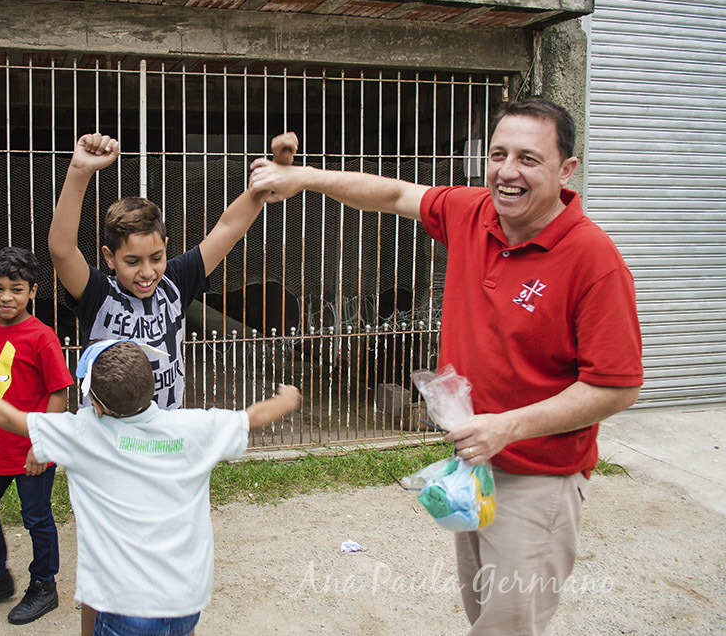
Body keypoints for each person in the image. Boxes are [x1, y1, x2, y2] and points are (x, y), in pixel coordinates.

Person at [249, 98, 643, 635]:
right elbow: (391, 194)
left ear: (566, 169)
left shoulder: (594, 261)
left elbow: (615, 387)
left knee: (508, 625)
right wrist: (306, 178)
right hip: (473, 467)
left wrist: (507, 426)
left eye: (528, 158)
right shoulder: (473, 211)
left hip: (538, 479)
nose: (507, 172)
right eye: (498, 154)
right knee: (483, 613)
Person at [0, 338, 301, 636]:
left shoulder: (83, 434)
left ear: (98, 405)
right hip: (186, 599)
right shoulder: (191, 427)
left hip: (124, 605)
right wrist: (286, 400)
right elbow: (251, 418)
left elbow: (9, 419)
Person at [48, 132, 267, 412]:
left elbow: (227, 229)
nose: (147, 272)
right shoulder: (98, 295)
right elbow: (62, 249)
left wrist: (259, 191)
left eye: (156, 257)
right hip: (106, 436)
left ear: (165, 247)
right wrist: (79, 171)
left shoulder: (174, 283)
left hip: (162, 435)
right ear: (109, 257)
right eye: (132, 261)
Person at [0, 246, 74, 625]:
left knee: (36, 519)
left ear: (33, 291)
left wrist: (42, 446)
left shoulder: (42, 337)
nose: (6, 297)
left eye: (16, 289)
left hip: (32, 454)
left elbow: (59, 391)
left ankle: (44, 585)